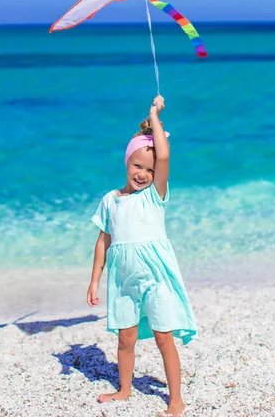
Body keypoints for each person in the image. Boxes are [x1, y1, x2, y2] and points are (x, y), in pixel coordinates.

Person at [87, 95, 197, 417]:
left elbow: (162, 156)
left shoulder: (155, 196)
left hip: (155, 275)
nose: (143, 174)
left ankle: (175, 399)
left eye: (149, 170)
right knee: (125, 339)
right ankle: (124, 389)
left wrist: (154, 116)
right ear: (126, 162)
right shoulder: (111, 200)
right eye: (137, 166)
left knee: (165, 337)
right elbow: (102, 242)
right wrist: (95, 280)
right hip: (123, 280)